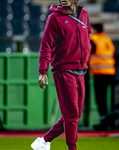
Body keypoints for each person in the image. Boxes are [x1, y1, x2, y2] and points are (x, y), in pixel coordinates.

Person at [31, 0, 91, 150]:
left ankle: (43, 142)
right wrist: (42, 71)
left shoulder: (84, 15)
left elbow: (86, 37)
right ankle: (72, 147)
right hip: (63, 69)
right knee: (71, 114)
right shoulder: (54, 18)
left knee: (74, 115)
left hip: (81, 69)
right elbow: (46, 46)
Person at [89, 23, 116, 130]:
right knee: (110, 98)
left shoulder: (93, 38)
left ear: (95, 29)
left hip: (99, 72)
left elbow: (89, 50)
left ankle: (104, 121)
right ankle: (112, 122)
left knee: (101, 99)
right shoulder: (107, 39)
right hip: (110, 71)